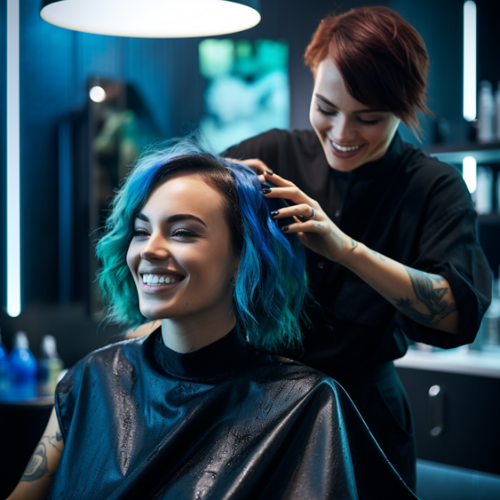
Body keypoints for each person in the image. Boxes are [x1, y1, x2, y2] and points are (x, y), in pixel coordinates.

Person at [7, 141, 418, 500]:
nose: (150, 250)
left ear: (244, 258)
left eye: (183, 232)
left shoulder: (306, 405)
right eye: (141, 231)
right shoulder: (89, 379)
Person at [223, 6, 492, 491]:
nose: (342, 135)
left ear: (404, 108)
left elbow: (458, 313)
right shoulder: (270, 154)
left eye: (368, 118)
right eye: (326, 109)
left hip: (364, 416)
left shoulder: (434, 188)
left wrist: (345, 248)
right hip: (258, 406)